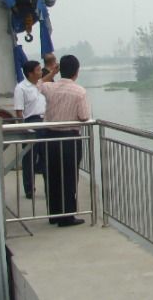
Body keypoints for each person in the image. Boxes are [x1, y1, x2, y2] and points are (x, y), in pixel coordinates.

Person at [38, 55, 90, 227]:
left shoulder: (50, 87)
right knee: (69, 176)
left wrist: (52, 72)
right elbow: (84, 116)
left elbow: (38, 84)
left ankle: (54, 214)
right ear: (77, 71)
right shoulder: (79, 92)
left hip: (50, 137)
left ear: (60, 70)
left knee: (52, 176)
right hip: (69, 139)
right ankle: (67, 216)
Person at [13, 61, 47, 199]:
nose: (41, 72)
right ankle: (29, 189)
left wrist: (54, 72)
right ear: (30, 73)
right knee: (29, 158)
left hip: (44, 122)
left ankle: (49, 187)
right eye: (38, 70)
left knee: (45, 156)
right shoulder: (21, 88)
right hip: (31, 122)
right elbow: (19, 111)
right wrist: (23, 128)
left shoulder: (40, 85)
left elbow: (47, 79)